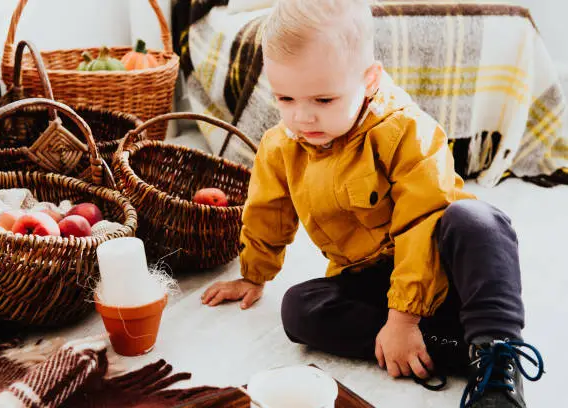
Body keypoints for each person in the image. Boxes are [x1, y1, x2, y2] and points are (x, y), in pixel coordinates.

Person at [201, 1, 544, 406]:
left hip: (441, 266)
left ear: (369, 80)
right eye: (285, 98)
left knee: (478, 221)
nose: (302, 117)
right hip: (372, 276)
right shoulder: (281, 146)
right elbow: (267, 212)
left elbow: (423, 219)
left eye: (324, 100)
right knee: (298, 309)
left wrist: (404, 316)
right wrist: (253, 274)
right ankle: (452, 350)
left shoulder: (406, 130)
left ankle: (497, 354)